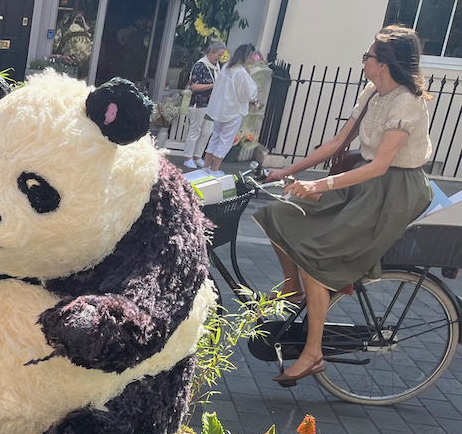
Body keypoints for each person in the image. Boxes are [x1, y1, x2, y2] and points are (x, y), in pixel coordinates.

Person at [253, 25, 433, 386]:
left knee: (318, 258)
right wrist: (286, 172)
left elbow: (380, 165)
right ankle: (292, 286)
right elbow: (337, 143)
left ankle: (313, 353)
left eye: (368, 56)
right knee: (278, 212)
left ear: (384, 63)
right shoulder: (372, 92)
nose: (364, 61)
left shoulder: (406, 102)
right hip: (362, 184)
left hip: (392, 191)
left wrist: (318, 184)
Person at [202, 42, 258, 172]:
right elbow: (246, 93)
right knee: (225, 141)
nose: (254, 58)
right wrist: (252, 101)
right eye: (253, 55)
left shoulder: (227, 66)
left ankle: (206, 167)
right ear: (248, 56)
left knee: (215, 137)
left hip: (221, 108)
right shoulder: (241, 72)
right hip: (233, 110)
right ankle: (215, 169)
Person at [182, 39, 224, 169]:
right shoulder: (200, 65)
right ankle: (188, 157)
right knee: (195, 129)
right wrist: (214, 85)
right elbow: (194, 86)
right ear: (211, 52)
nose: (220, 58)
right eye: (219, 55)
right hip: (199, 103)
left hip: (211, 104)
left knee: (207, 131)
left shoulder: (216, 68)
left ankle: (197, 156)